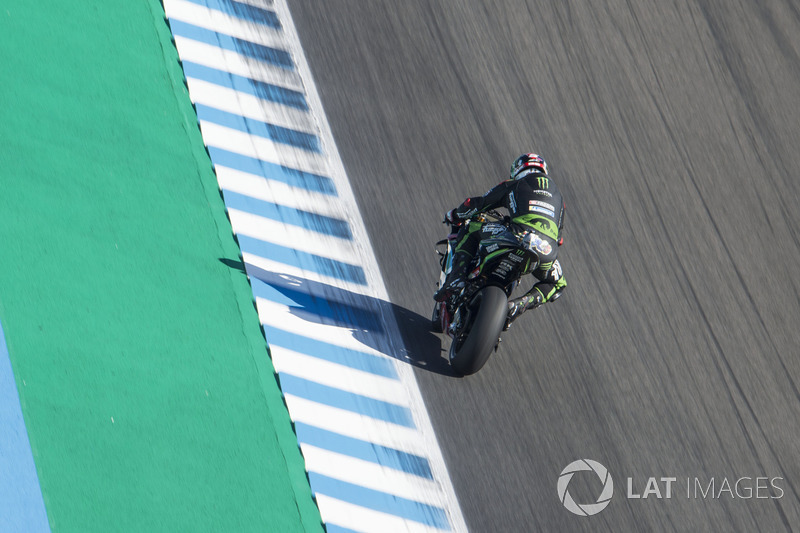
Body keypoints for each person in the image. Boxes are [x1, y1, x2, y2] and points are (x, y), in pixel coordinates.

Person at [433, 153, 567, 324]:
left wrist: (454, 215)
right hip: (546, 249)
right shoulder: (559, 199)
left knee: (470, 227)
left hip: (517, 235)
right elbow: (559, 239)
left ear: (517, 170)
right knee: (559, 283)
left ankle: (457, 278)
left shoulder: (515, 184)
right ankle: (521, 304)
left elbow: (475, 204)